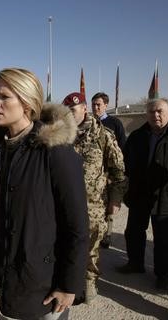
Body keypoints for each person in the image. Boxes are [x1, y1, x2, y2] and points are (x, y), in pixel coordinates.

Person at [0, 68, 89, 320]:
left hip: (46, 283)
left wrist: (68, 285)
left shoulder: (55, 151)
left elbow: (77, 225)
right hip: (12, 276)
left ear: (26, 103)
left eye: (4, 97)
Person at [118, 98, 168, 291]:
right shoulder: (137, 135)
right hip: (139, 194)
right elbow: (125, 163)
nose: (155, 115)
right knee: (133, 232)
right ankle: (135, 263)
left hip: (167, 196)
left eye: (159, 111)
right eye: (151, 112)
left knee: (164, 239)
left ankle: (163, 274)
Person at [62, 92, 127, 304]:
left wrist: (115, 200)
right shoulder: (60, 136)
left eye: (73, 110)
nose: (70, 115)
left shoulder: (103, 135)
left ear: (84, 109)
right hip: (65, 204)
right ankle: (68, 280)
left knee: (91, 247)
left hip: (94, 205)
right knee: (67, 244)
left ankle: (89, 280)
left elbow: (118, 171)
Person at [91, 92, 127, 249]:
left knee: (109, 206)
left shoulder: (114, 123)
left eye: (99, 104)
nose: (96, 107)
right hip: (93, 174)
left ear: (106, 105)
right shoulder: (89, 123)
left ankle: (107, 235)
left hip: (109, 173)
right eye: (93, 104)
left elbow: (122, 148)